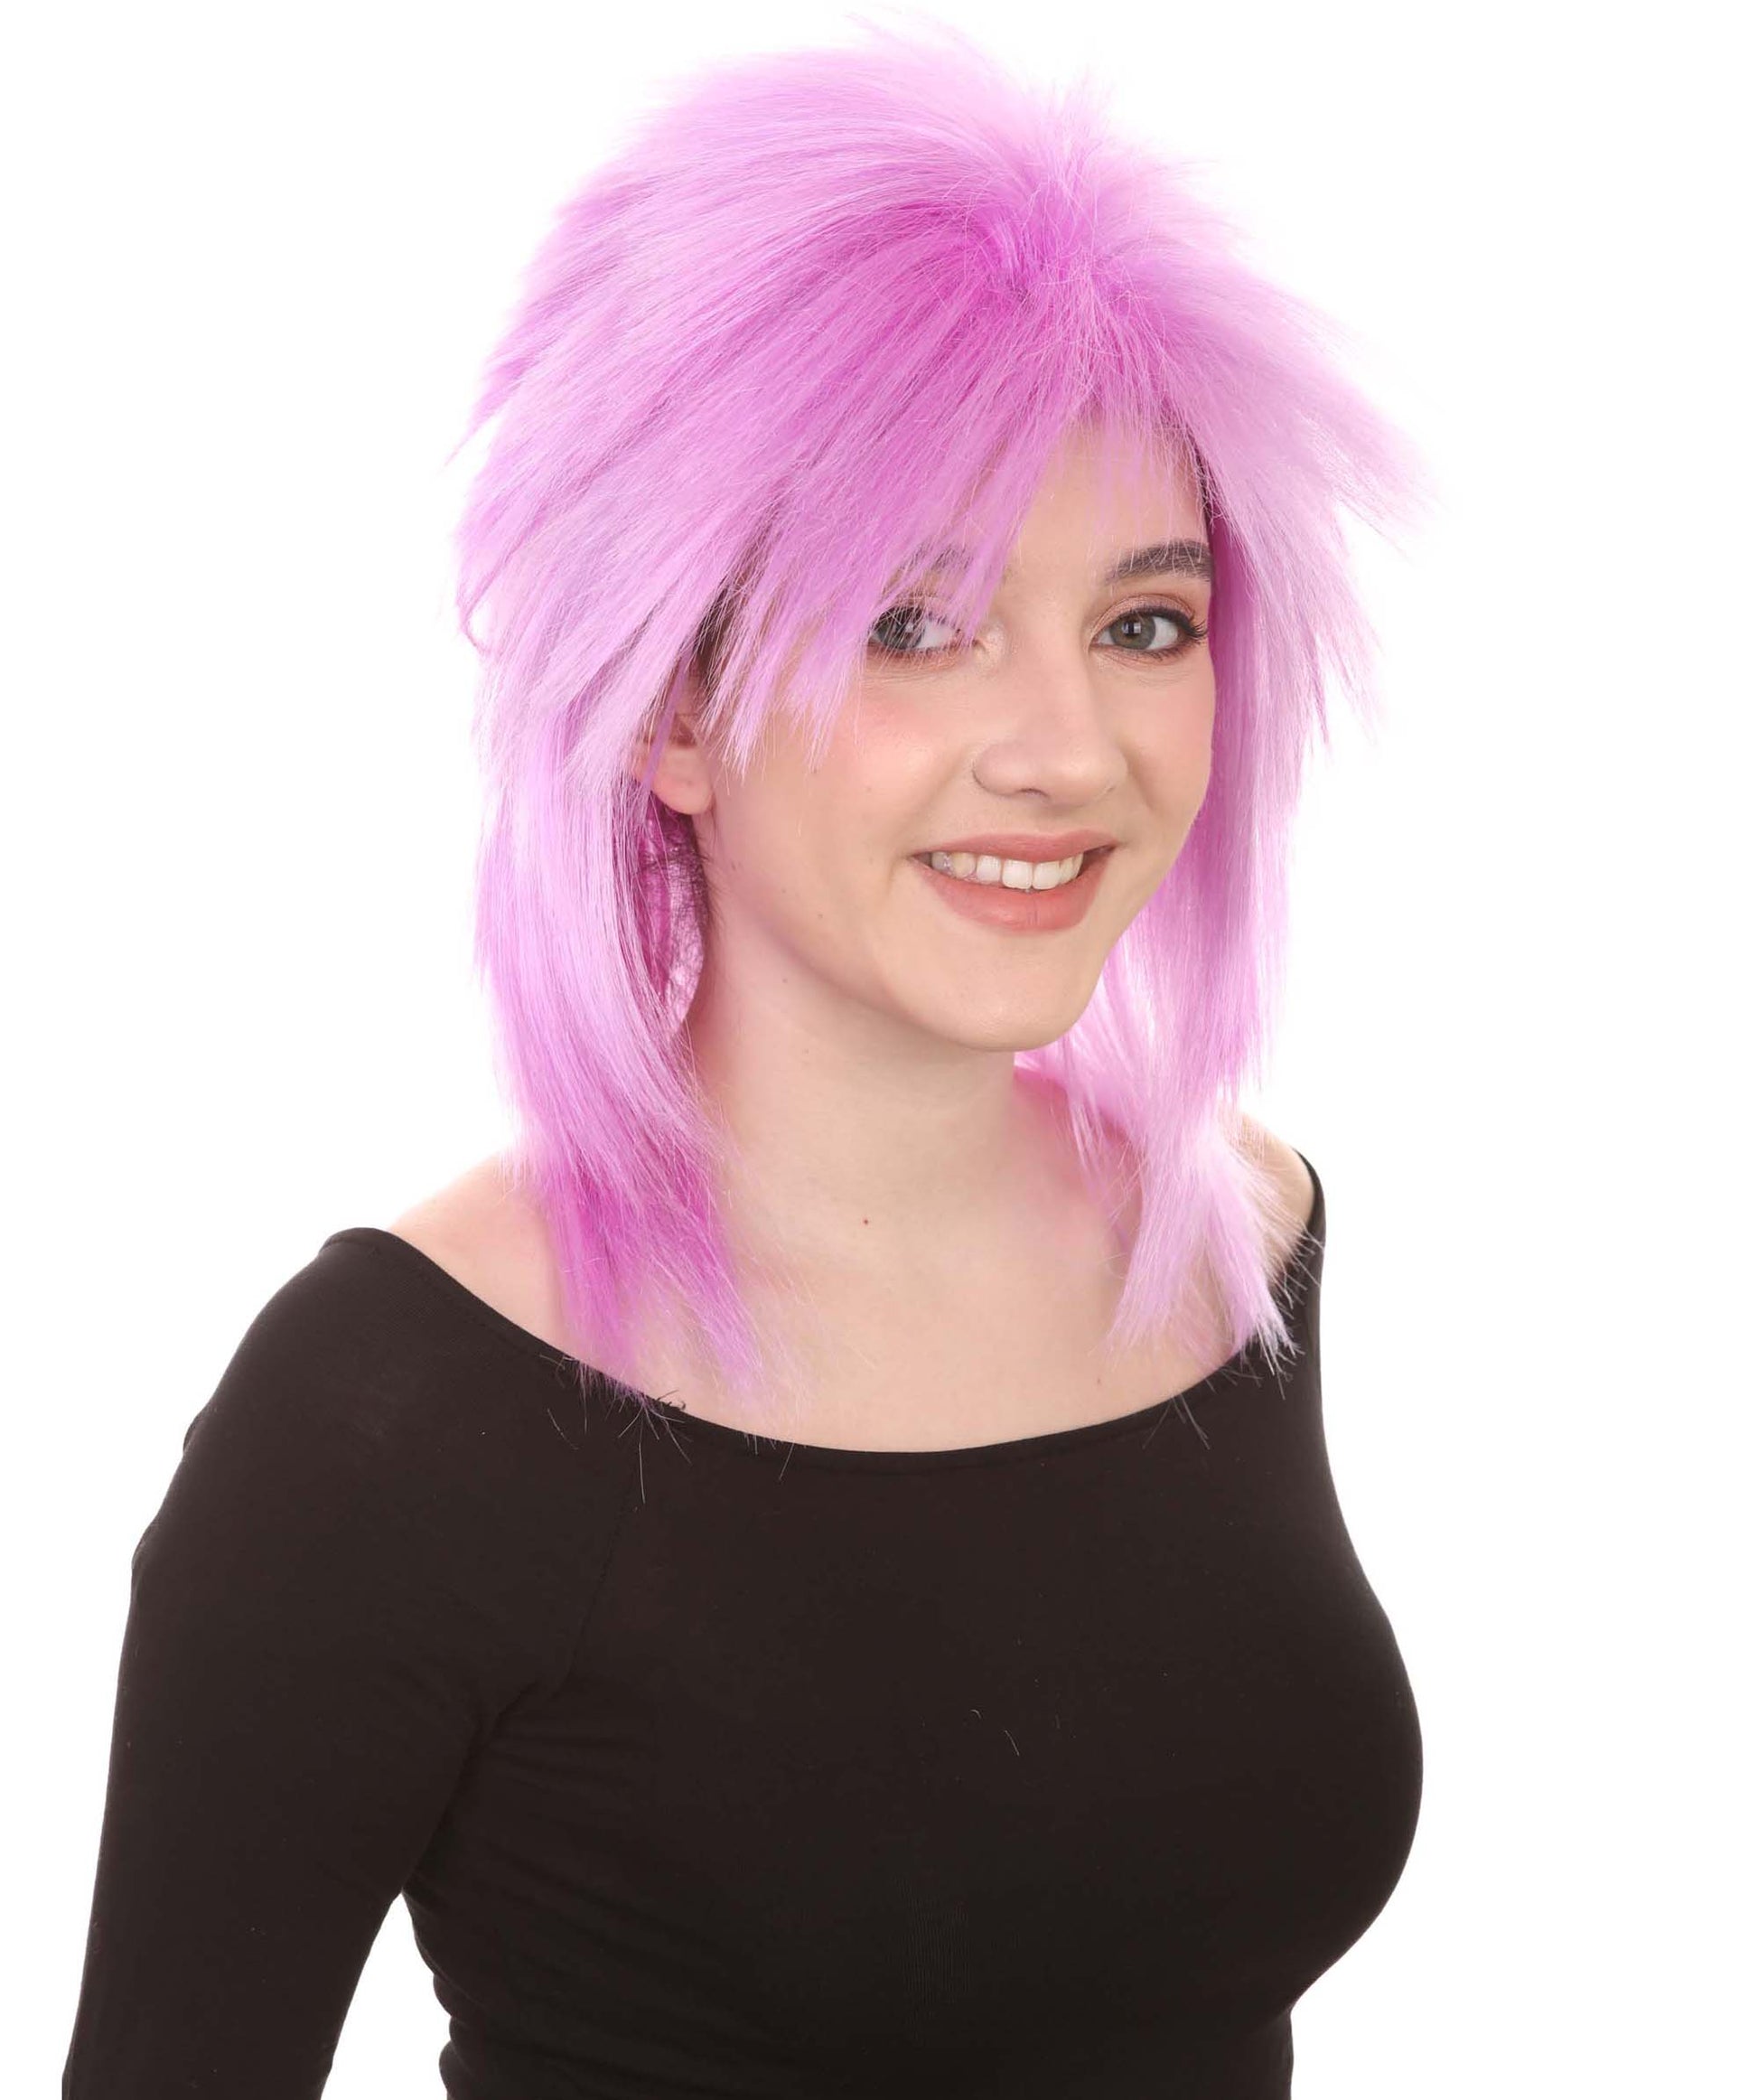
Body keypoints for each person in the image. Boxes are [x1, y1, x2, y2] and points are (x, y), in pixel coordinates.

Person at [61, 22, 1431, 2096]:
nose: (1068, 750)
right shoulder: (392, 1419)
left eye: (1144, 623)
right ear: (669, 706)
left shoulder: (1233, 1237)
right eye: (915, 624)